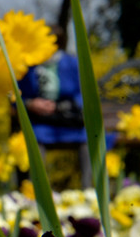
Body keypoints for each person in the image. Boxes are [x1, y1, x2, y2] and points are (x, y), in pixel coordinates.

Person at [18, 25, 92, 187]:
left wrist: (66, 106)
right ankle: (34, 188)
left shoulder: (71, 63)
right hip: (42, 122)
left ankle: (88, 189)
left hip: (68, 120)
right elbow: (16, 94)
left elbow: (84, 92)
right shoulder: (29, 66)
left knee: (87, 142)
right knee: (35, 141)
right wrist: (31, 103)